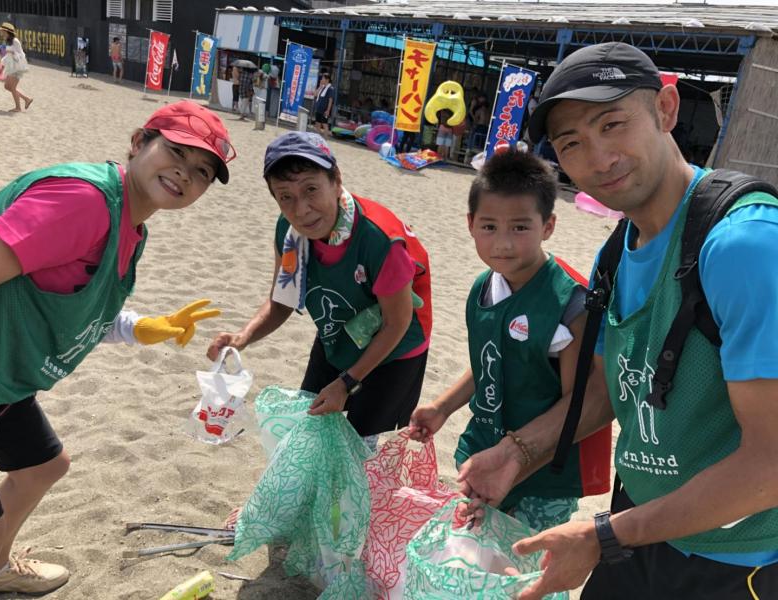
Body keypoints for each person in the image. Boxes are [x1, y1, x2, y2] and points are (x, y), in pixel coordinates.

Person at [457, 42, 778, 600]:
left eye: (612, 124)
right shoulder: (617, 252)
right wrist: (516, 453)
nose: (599, 159)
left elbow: (770, 463)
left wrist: (605, 536)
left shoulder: (743, 246)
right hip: (639, 520)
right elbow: (605, 389)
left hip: (731, 557)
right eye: (571, 143)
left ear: (666, 109)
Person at [0, 100, 235, 597]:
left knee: (42, 467)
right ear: (139, 143)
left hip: (2, 374)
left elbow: (74, 304)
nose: (185, 173)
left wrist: (141, 328)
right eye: (177, 152)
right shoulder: (85, 201)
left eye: (203, 171)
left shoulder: (130, 225)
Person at [408, 150, 609, 532]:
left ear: (548, 226)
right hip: (483, 449)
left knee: (521, 560)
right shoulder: (483, 289)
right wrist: (442, 407)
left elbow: (579, 405)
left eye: (519, 227)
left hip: (542, 479)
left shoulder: (568, 304)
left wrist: (515, 465)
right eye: (489, 226)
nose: (503, 243)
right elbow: (491, 362)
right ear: (470, 224)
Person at [208, 132, 432, 452]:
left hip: (395, 346)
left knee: (357, 444)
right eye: (285, 197)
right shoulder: (289, 233)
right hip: (340, 330)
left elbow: (396, 322)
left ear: (336, 180)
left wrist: (346, 382)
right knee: (309, 423)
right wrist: (242, 337)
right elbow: (281, 302)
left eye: (311, 189)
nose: (301, 210)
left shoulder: (380, 239)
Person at [0, 23, 32, 113]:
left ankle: (18, 107)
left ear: (7, 32)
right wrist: (2, 60)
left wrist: (11, 53)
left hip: (17, 66)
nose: (1, 32)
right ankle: (26, 99)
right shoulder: (8, 41)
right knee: (7, 86)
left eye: (2, 31)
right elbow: (8, 55)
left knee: (12, 87)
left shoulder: (15, 41)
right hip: (12, 66)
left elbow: (21, 54)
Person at [313, 73, 335, 138]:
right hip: (318, 108)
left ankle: (325, 139)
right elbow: (315, 94)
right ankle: (318, 138)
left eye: (323, 78)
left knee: (324, 124)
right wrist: (320, 86)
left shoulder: (330, 88)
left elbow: (330, 100)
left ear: (327, 80)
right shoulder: (322, 87)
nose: (321, 79)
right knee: (317, 123)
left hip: (324, 110)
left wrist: (328, 110)